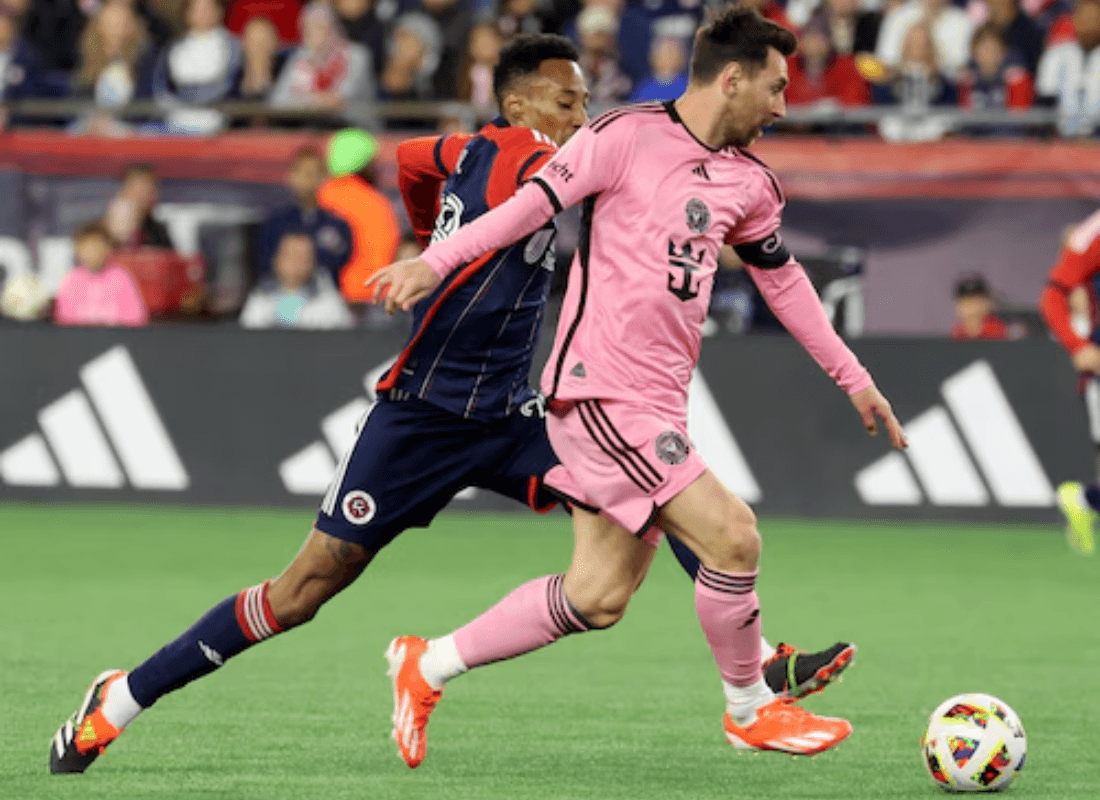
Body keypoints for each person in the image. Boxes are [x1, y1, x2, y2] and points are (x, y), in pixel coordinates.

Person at [46, 33, 851, 776]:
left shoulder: (473, 147)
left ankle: (759, 666)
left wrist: (429, 224)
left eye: (583, 103)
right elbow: (530, 191)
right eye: (566, 103)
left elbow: (408, 155)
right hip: (420, 417)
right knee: (301, 594)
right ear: (521, 109)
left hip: (510, 414)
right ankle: (120, 698)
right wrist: (438, 254)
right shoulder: (524, 155)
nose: (582, 117)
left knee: (647, 498)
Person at [368, 7, 906, 768]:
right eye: (776, 87)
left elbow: (783, 284)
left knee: (598, 595)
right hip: (598, 393)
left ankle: (428, 663)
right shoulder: (621, 137)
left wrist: (856, 379)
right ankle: (751, 708)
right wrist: (436, 261)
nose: (783, 106)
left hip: (656, 400)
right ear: (732, 78)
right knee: (733, 535)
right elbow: (529, 208)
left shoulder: (749, 183)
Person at [1040, 207, 1100, 554]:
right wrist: (1077, 345)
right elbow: (1052, 297)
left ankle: (1084, 500)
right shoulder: (1091, 235)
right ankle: (1084, 500)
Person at [317, 128, 400, 302]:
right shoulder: (377, 203)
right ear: (362, 162)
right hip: (371, 298)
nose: (376, 166)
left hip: (324, 299)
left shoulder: (321, 196)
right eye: (372, 161)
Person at [256, 146, 353, 284]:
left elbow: (338, 260)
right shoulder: (274, 223)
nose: (304, 179)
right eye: (299, 172)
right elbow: (265, 266)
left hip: (323, 299)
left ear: (323, 177)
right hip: (281, 298)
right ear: (290, 176)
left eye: (310, 173)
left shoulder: (337, 225)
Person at [239, 231, 354, 328]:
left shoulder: (329, 302)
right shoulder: (259, 300)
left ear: (312, 263)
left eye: (302, 257)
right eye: (290, 255)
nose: (295, 263)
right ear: (276, 260)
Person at [54, 222, 149, 327]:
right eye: (87, 248)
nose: (92, 253)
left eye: (96, 247)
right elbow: (64, 319)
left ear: (108, 248)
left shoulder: (121, 277)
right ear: (77, 250)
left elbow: (136, 317)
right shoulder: (72, 279)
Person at [950, 273, 1009, 340]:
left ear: (987, 303)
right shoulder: (958, 331)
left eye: (975, 302)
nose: (971, 308)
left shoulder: (997, 330)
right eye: (966, 303)